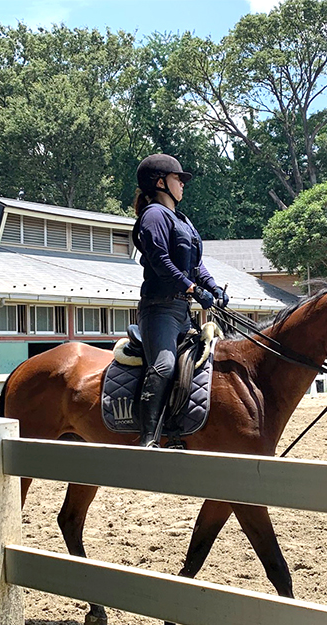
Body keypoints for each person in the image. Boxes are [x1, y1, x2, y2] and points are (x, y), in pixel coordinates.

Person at [131, 153, 228, 448]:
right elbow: (160, 260)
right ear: (160, 182)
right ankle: (148, 438)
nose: (183, 185)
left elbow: (195, 264)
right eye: (178, 179)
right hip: (159, 310)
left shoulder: (182, 220)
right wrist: (192, 289)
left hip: (182, 312)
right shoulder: (154, 215)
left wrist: (212, 287)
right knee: (163, 366)